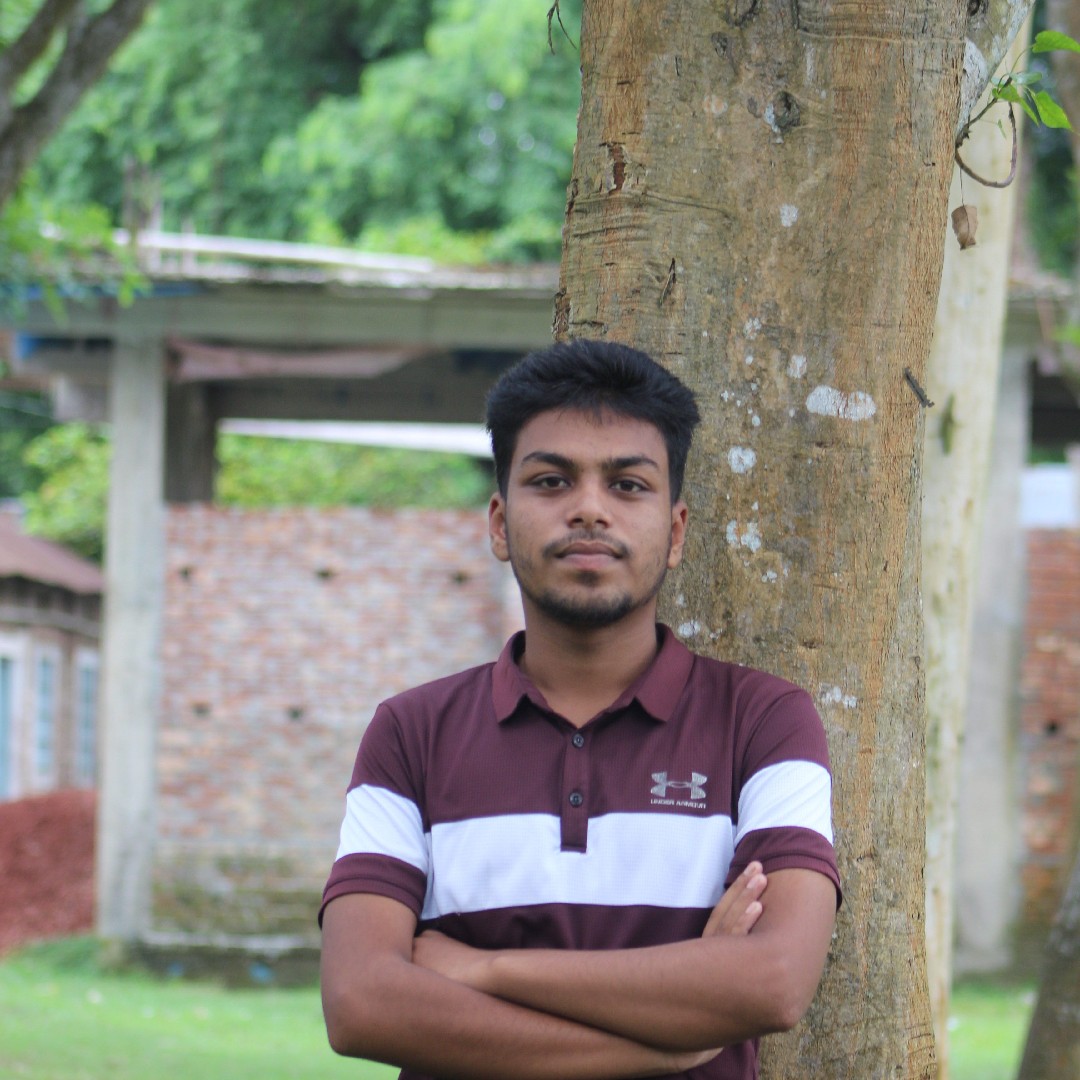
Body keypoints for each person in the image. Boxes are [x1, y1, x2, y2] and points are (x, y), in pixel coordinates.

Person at [320, 339, 841, 1080]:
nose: (590, 509)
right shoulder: (411, 733)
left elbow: (774, 982)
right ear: (500, 523)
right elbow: (360, 1003)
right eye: (551, 481)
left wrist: (488, 969)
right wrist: (676, 1037)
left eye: (627, 485)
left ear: (676, 532)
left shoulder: (763, 721)